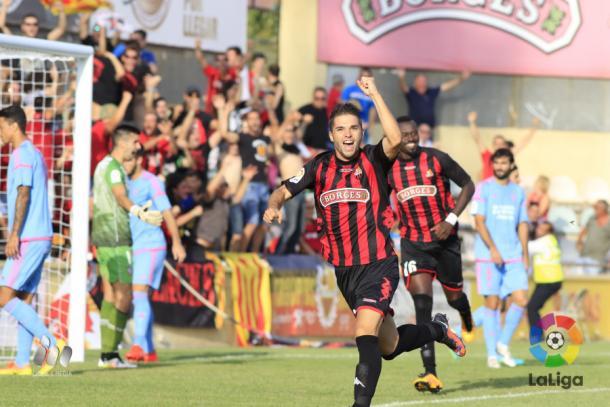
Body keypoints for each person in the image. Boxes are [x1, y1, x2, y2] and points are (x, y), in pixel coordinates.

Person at [263, 76, 465, 407]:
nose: (347, 134)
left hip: (378, 264)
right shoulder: (319, 166)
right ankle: (438, 331)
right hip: (345, 272)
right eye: (341, 129)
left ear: (361, 132)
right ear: (331, 135)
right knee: (389, 346)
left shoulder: (373, 158)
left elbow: (396, 138)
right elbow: (282, 190)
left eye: (353, 128)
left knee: (364, 334)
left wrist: (376, 94)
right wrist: (274, 207)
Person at [388, 116, 475, 393]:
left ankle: (465, 313)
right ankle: (430, 373)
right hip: (414, 243)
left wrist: (450, 219)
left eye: (414, 134)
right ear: (395, 137)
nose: (412, 139)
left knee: (454, 296)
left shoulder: (437, 159)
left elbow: (469, 184)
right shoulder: (388, 169)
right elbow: (378, 201)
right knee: (422, 304)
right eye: (406, 135)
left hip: (445, 241)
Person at [0, 106, 68, 375]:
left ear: (13, 126)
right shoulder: (33, 153)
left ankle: (54, 346)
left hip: (28, 236)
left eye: (1, 125)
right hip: (40, 235)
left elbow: (24, 194)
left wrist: (14, 233)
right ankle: (22, 362)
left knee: (4, 295)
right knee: (24, 299)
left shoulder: (23, 155)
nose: (0, 131)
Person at [92, 124, 163, 368]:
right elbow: (120, 194)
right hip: (115, 238)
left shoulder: (104, 165)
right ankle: (110, 355)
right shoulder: (113, 168)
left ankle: (107, 355)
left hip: (103, 238)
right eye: (135, 142)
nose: (138, 146)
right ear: (123, 143)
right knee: (125, 296)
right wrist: (138, 211)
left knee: (111, 295)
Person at [122, 150, 186, 364]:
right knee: (142, 296)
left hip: (152, 244)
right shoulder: (124, 183)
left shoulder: (152, 182)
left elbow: (167, 212)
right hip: (137, 246)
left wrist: (176, 242)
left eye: (129, 159)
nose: (125, 164)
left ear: (139, 159)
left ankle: (138, 343)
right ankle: (149, 349)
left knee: (139, 293)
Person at [471, 148, 529, 369]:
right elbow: (479, 221)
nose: (500, 167)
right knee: (492, 304)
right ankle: (491, 354)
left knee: (521, 299)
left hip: (513, 255)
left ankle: (503, 343)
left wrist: (525, 254)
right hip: (488, 256)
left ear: (511, 164)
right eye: (497, 163)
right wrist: (493, 249)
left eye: (504, 163)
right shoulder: (483, 188)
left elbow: (522, 223)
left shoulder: (518, 192)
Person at [221, 110, 271, 252]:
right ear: (247, 122)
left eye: (257, 118)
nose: (255, 121)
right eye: (251, 118)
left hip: (264, 185)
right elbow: (226, 135)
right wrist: (223, 111)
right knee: (252, 221)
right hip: (250, 185)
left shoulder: (265, 139)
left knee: (264, 223)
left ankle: (255, 254)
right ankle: (242, 255)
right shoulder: (243, 137)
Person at [468, 111, 539, 180]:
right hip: (488, 191)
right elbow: (477, 138)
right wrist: (472, 122)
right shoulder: (487, 155)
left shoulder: (508, 156)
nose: (499, 146)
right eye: (496, 143)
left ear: (506, 146)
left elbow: (523, 142)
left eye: (502, 143)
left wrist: (534, 126)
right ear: (493, 146)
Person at [397, 68, 470, 128]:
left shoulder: (431, 92)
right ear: (415, 83)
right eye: (420, 81)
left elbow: (447, 86)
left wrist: (461, 78)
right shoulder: (411, 92)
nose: (422, 83)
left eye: (424, 81)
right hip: (415, 128)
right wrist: (401, 76)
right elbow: (403, 87)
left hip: (429, 129)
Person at [527, 221, 563, 327]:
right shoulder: (552, 241)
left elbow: (525, 247)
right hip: (551, 280)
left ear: (548, 232)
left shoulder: (543, 242)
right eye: (538, 228)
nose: (538, 231)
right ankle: (538, 333)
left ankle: (537, 336)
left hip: (548, 281)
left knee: (532, 308)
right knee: (533, 308)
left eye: (542, 229)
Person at [341, 67, 377, 143]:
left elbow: (373, 110)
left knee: (363, 150)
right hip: (349, 124)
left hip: (364, 126)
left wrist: (371, 126)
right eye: (363, 76)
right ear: (359, 76)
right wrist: (352, 103)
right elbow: (342, 104)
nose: (364, 79)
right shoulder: (350, 89)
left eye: (367, 77)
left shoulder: (372, 92)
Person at [0, 0, 67, 41]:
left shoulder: (43, 41)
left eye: (35, 24)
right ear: (22, 26)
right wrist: (5, 6)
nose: (32, 27)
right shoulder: (16, 41)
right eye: (28, 24)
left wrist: (62, 11)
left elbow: (60, 29)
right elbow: (1, 26)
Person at [576, 200, 610, 274]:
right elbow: (583, 230)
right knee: (578, 281)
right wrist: (579, 242)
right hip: (584, 256)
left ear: (604, 209)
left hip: (598, 259)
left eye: (596, 207)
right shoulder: (592, 218)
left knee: (591, 283)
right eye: (594, 207)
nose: (594, 209)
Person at [298, 87, 329, 151]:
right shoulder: (305, 110)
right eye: (317, 98)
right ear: (313, 98)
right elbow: (296, 135)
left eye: (322, 99)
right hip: (307, 149)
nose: (319, 101)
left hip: (323, 150)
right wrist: (304, 121)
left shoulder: (328, 112)